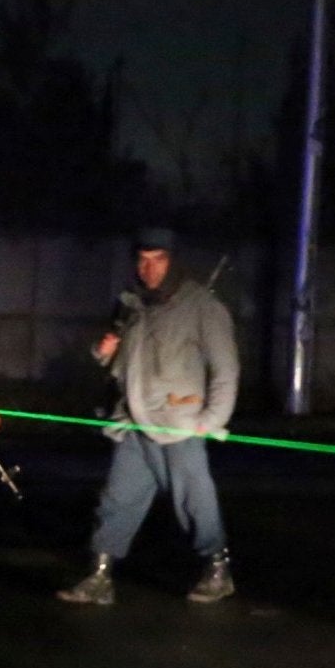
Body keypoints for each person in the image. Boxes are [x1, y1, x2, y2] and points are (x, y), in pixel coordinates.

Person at [56, 228, 238, 606]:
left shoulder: (201, 306)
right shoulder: (133, 305)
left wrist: (210, 419)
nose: (149, 268)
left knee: (193, 501)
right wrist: (103, 352)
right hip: (133, 421)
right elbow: (122, 364)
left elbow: (225, 368)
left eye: (158, 259)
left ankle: (217, 569)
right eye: (143, 259)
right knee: (117, 500)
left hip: (179, 422)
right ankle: (100, 577)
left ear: (173, 261)